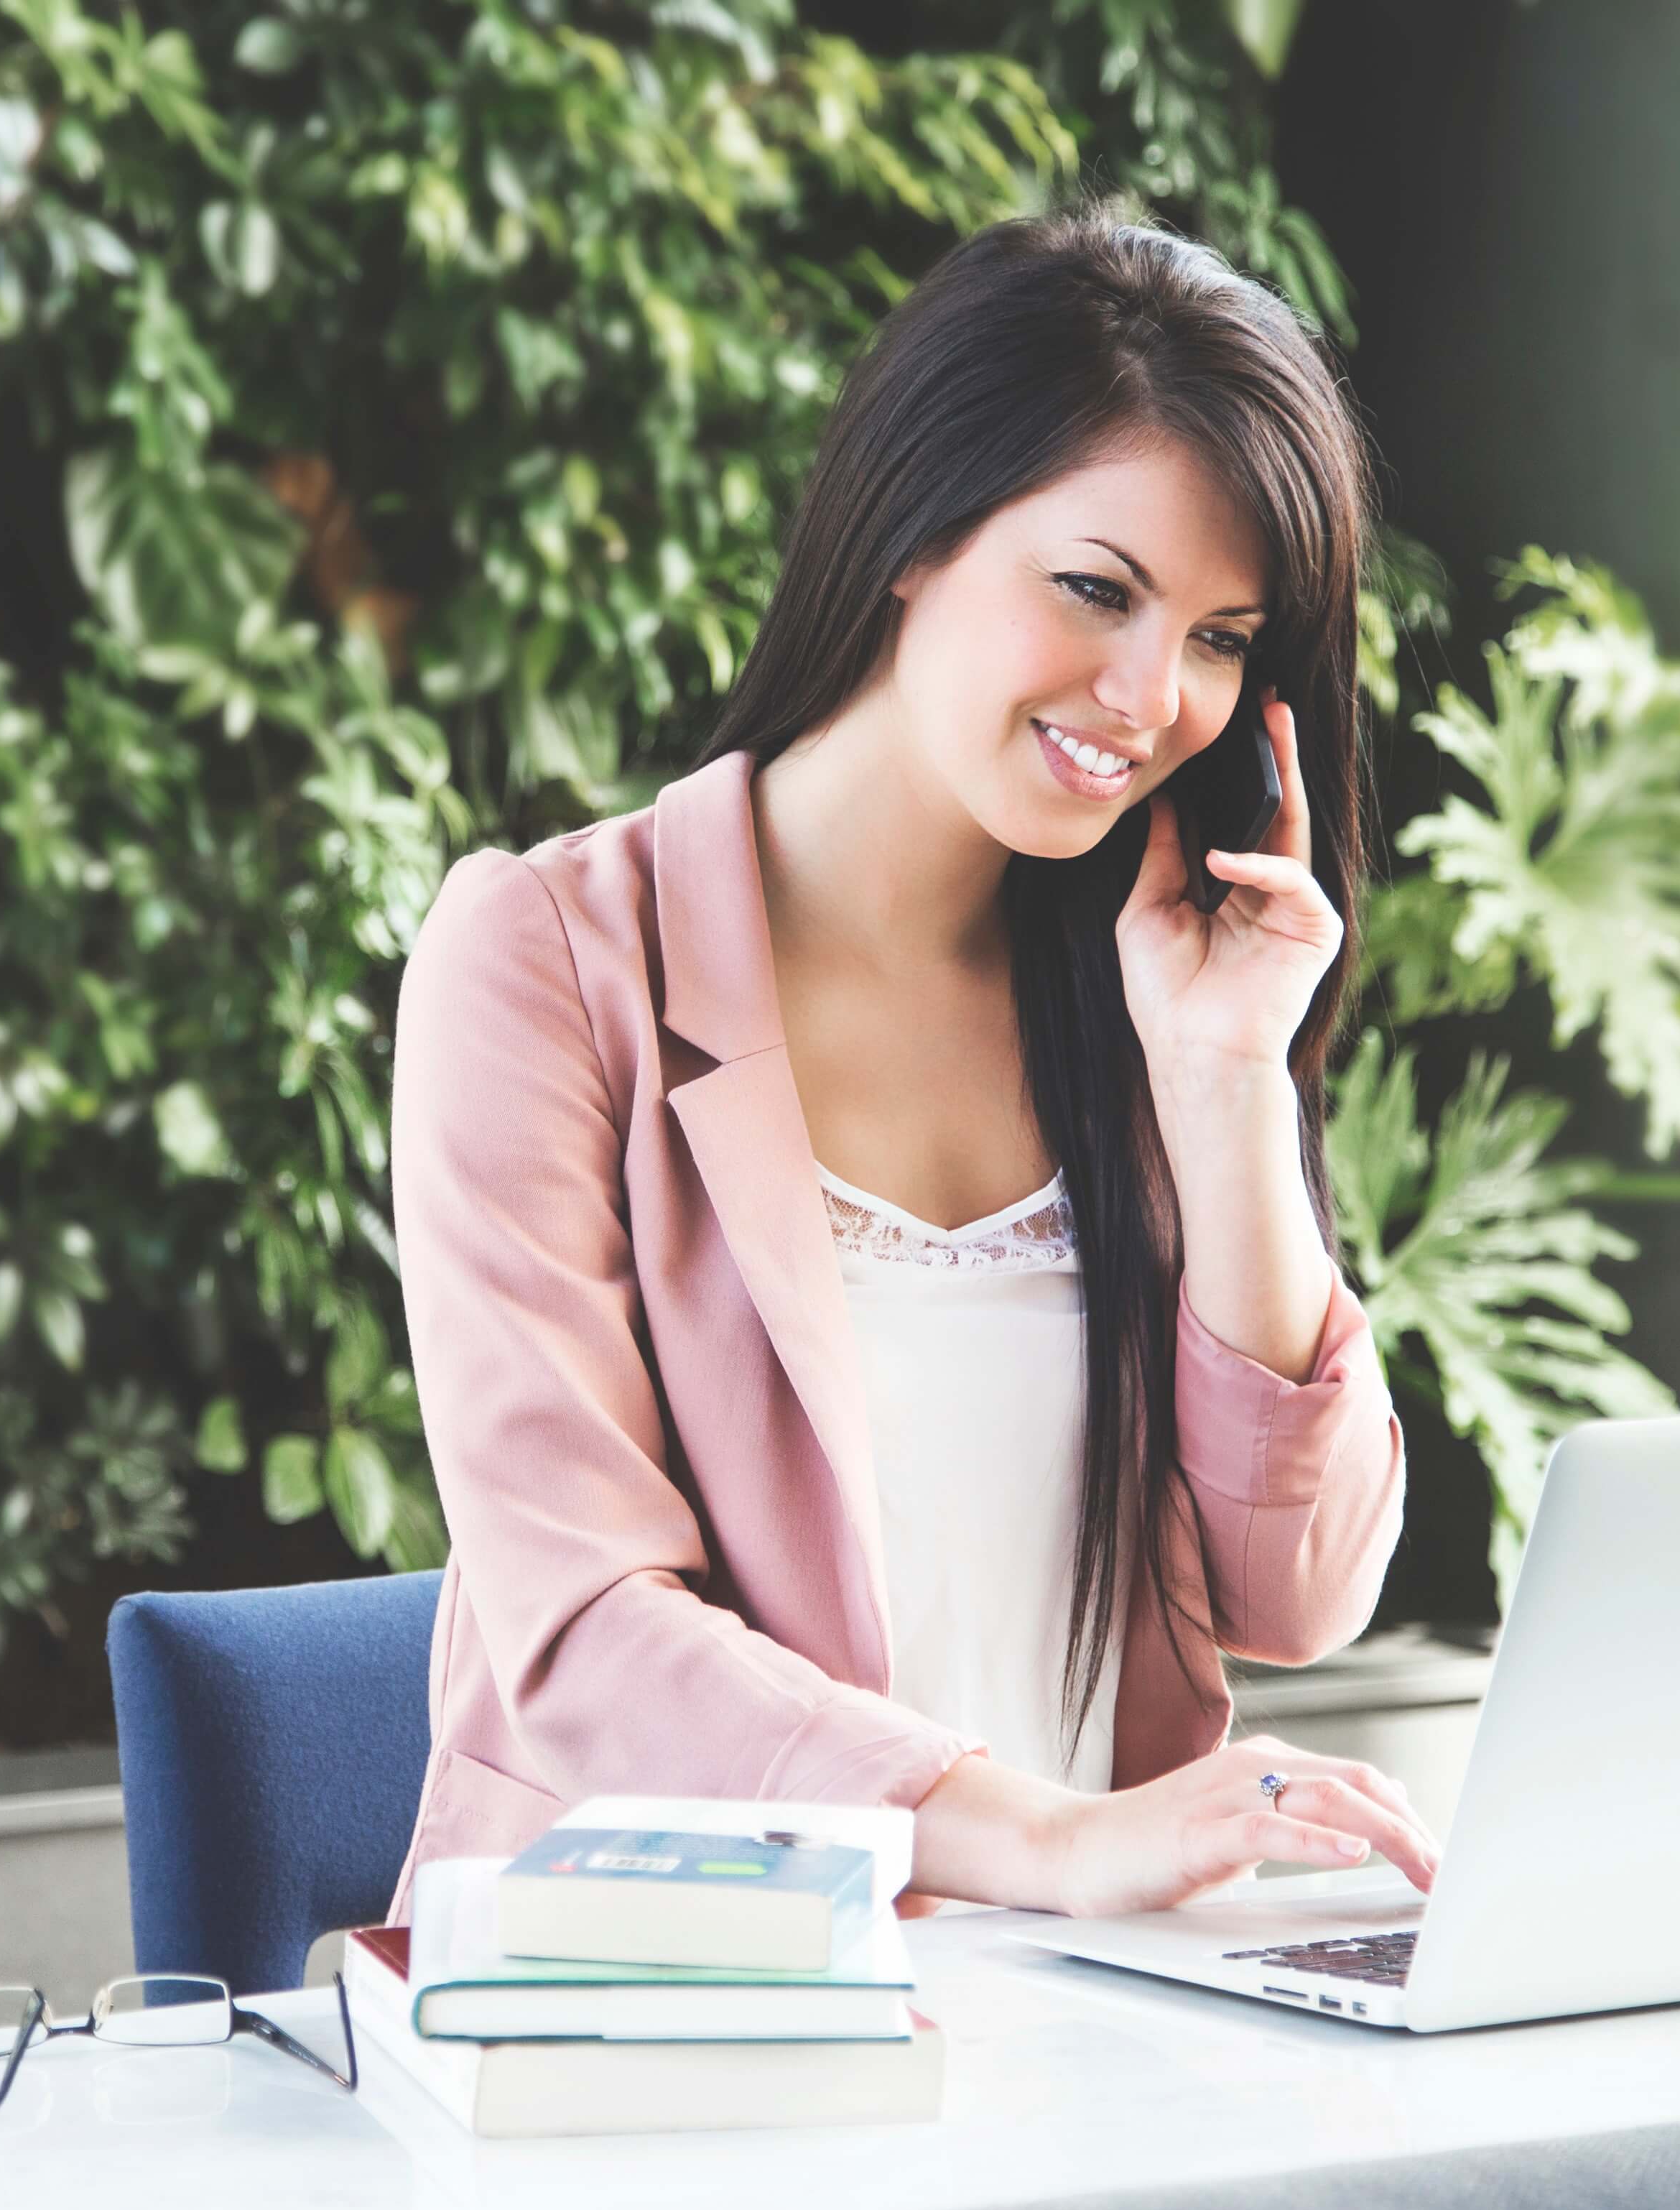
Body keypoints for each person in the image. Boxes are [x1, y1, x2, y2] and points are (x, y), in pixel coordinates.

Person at [386, 207, 1439, 1923]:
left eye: (1224, 636)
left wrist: (1230, 1087)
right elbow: (579, 1628)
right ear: (910, 534)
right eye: (1097, 589)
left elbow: (1300, 1592)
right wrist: (1042, 1837)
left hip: (1095, 2023)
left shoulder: (1148, 988)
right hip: (676, 2010)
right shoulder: (551, 959)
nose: (1151, 693)